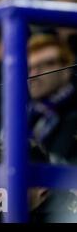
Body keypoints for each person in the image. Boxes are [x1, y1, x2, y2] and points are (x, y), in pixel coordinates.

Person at [27, 34, 77, 163]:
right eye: (29, 68)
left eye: (45, 65)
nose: (33, 75)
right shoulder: (23, 115)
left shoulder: (73, 114)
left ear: (67, 69)